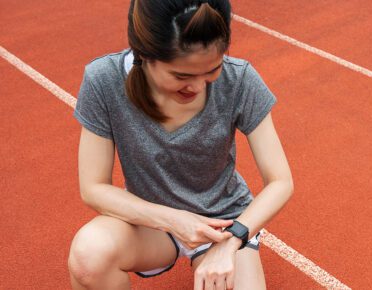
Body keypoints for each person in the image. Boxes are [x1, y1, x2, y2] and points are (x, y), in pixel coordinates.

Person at [67, 0, 294, 289]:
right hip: (150, 222)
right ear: (143, 55)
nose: (199, 87)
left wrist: (232, 240)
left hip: (222, 224)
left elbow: (280, 181)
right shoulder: (105, 81)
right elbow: (93, 188)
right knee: (89, 256)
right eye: (182, 76)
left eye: (212, 70)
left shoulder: (240, 80)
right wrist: (173, 220)